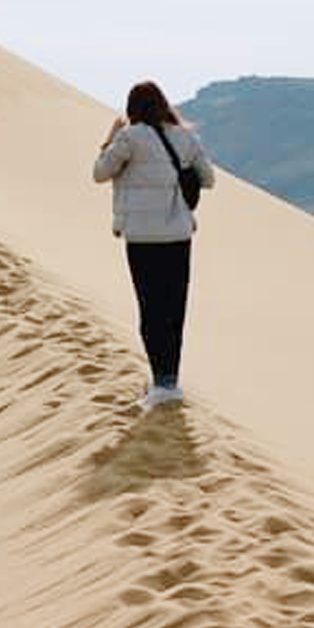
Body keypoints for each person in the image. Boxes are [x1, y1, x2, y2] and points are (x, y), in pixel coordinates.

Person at [92, 80, 217, 410]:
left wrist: (110, 138)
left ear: (133, 109)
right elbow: (209, 179)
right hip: (178, 237)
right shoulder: (184, 137)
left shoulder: (128, 138)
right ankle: (169, 382)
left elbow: (100, 173)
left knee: (151, 309)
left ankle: (160, 382)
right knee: (174, 309)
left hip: (142, 239)